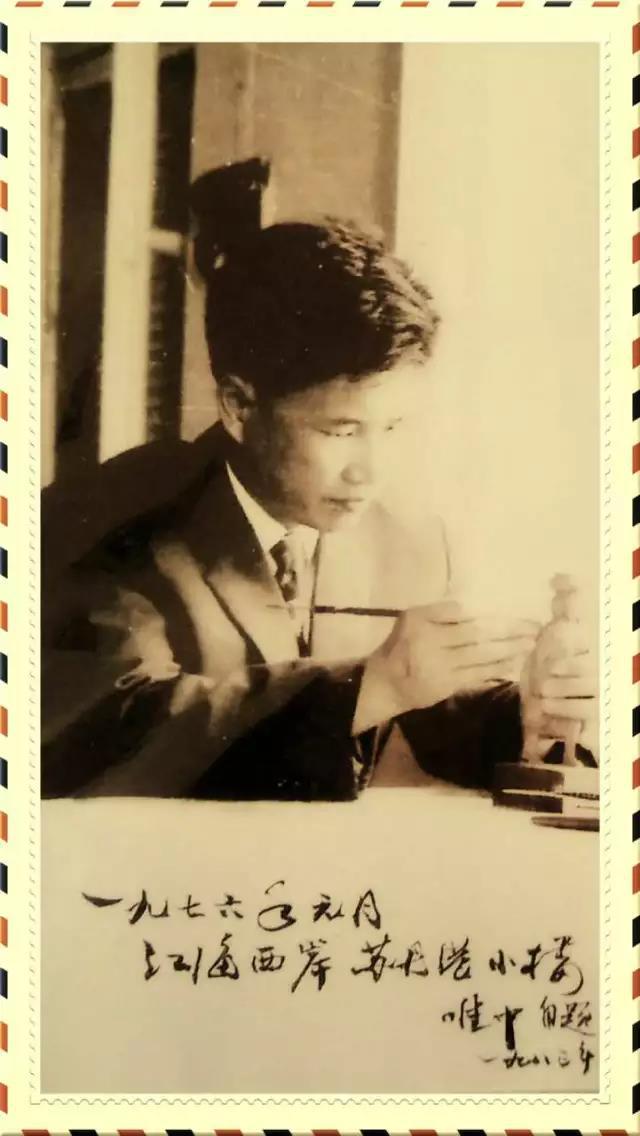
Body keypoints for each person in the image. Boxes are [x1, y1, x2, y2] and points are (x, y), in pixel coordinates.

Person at [41, 202, 597, 800]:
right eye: (340, 430)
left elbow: (429, 715)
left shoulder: (405, 542)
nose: (370, 472)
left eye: (392, 427)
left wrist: (526, 720)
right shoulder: (105, 518)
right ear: (238, 406)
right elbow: (118, 728)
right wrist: (371, 687)